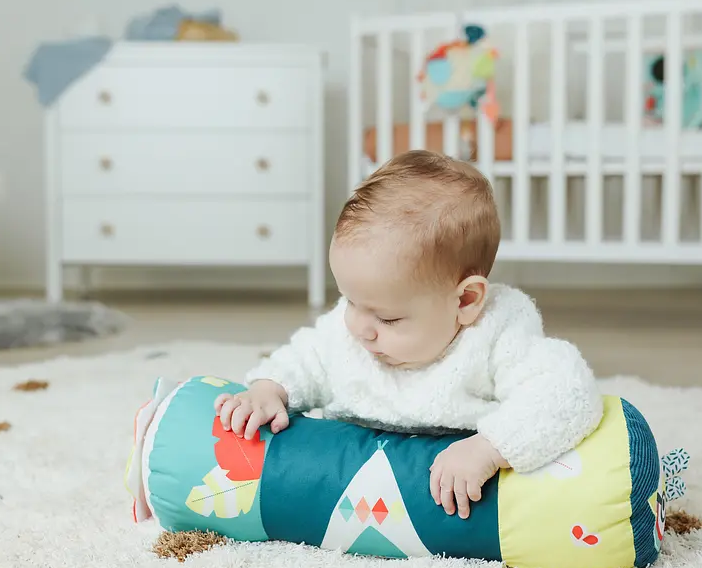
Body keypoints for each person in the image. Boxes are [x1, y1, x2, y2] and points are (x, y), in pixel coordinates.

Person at [214, 150, 602, 519]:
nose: (360, 329)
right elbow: (307, 356)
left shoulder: (497, 334)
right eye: (349, 300)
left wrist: (489, 449)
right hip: (348, 481)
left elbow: (566, 392)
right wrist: (269, 389)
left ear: (465, 300)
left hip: (455, 502)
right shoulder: (353, 328)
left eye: (389, 319)